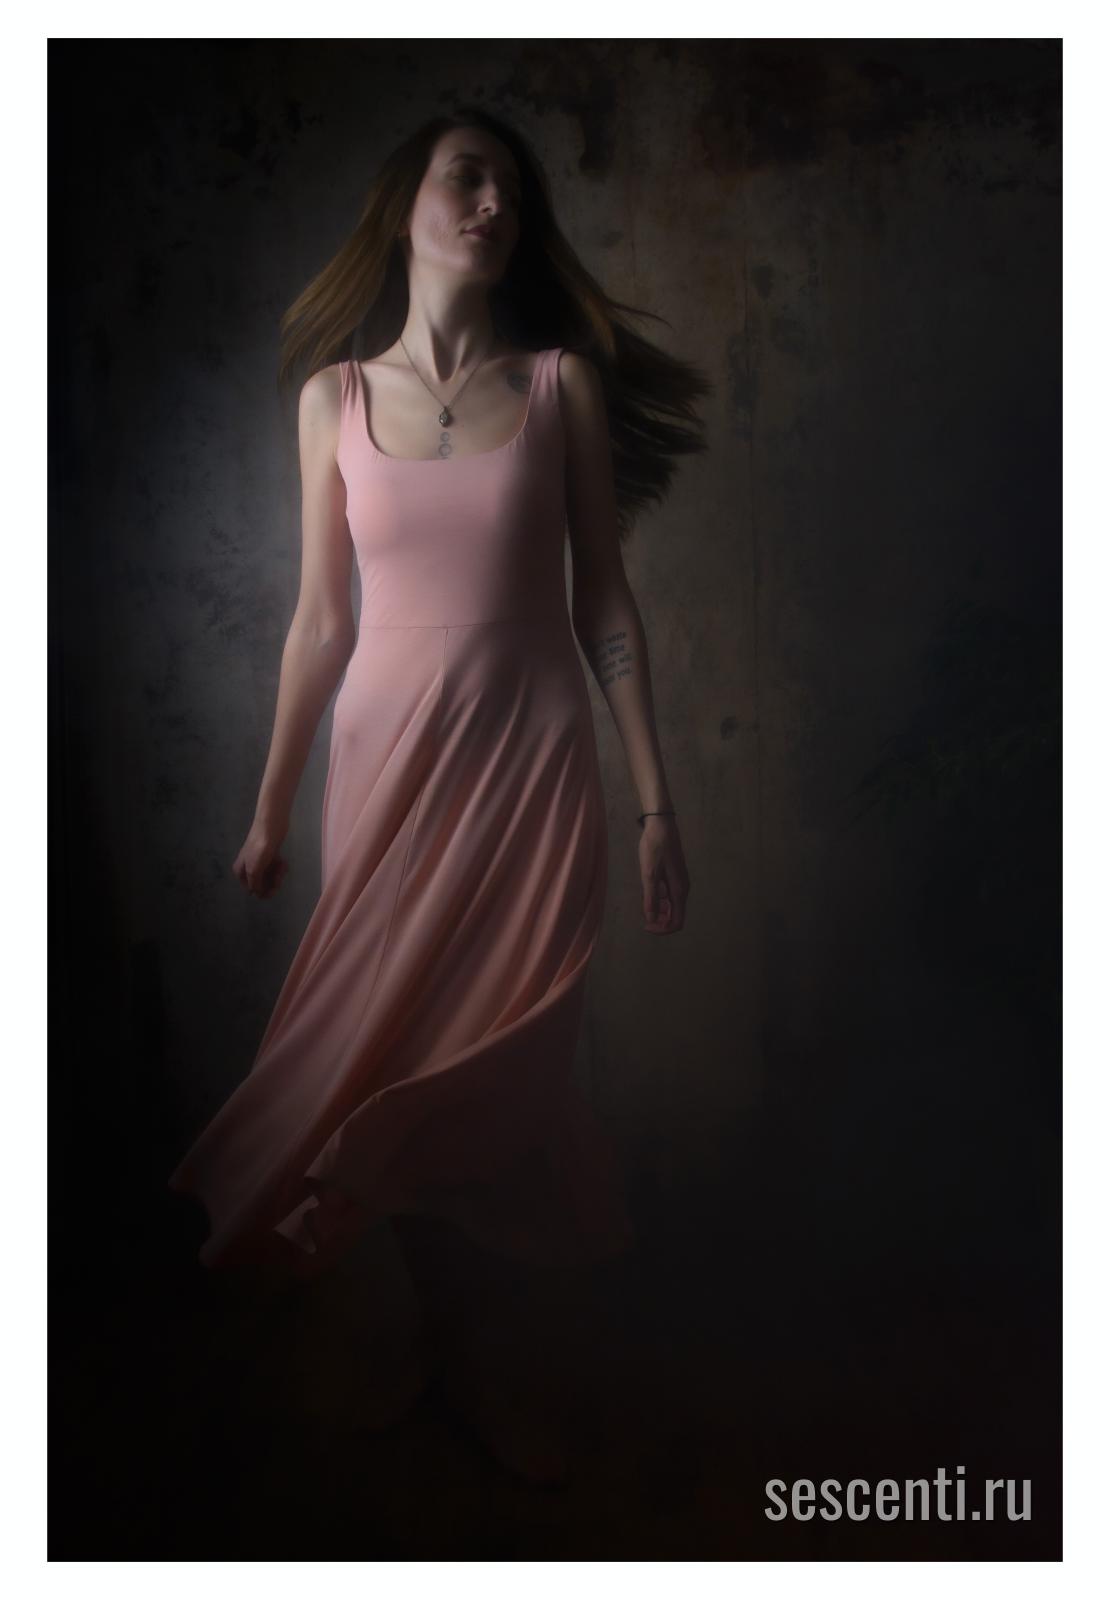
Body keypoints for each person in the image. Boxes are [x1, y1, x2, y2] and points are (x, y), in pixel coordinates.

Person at [169, 107, 707, 1485]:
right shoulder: (333, 401)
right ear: (401, 201)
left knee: (499, 1064)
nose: (494, 204)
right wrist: (269, 811)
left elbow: (604, 604)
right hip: (388, 770)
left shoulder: (559, 389)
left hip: (530, 767)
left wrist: (655, 800)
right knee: (393, 1061)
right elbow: (318, 624)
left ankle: (481, 1370)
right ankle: (448, 1365)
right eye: (469, 177)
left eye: (512, 190)